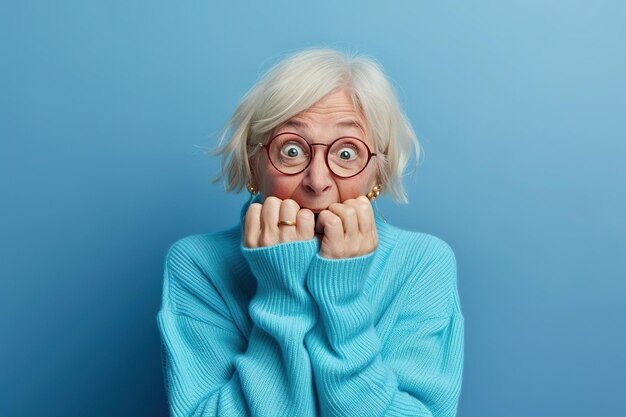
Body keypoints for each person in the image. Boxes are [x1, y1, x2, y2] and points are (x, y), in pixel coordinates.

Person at [157, 48, 464, 417]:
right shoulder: (199, 264)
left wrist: (342, 298)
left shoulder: (422, 264)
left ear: (377, 174)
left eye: (347, 154)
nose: (317, 182)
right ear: (255, 164)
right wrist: (282, 293)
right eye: (291, 150)